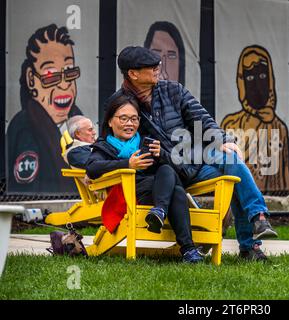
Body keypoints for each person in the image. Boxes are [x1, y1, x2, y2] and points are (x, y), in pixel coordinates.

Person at [106, 45, 278, 261]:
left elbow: (201, 118)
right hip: (164, 176)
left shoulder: (173, 90)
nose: (158, 67)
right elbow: (107, 140)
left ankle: (257, 222)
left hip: (194, 159)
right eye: (151, 66)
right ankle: (250, 243)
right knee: (232, 173)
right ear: (133, 74)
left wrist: (222, 140)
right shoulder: (120, 104)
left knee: (233, 164)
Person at [86, 94, 203, 263]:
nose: (129, 123)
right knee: (176, 190)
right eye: (123, 118)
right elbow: (92, 167)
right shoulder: (104, 146)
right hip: (130, 195)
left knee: (168, 173)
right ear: (110, 121)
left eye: (134, 119)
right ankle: (188, 249)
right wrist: (128, 164)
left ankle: (160, 212)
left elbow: (174, 170)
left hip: (156, 192)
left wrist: (161, 154)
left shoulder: (145, 142)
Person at [7, 24, 83, 193]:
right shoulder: (24, 128)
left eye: (70, 71)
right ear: (31, 80)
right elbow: (26, 190)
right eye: (50, 75)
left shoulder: (78, 120)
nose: (64, 85)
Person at [221, 45, 289, 192]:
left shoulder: (280, 128)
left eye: (262, 76)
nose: (257, 85)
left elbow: (285, 179)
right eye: (250, 77)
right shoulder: (230, 124)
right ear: (241, 82)